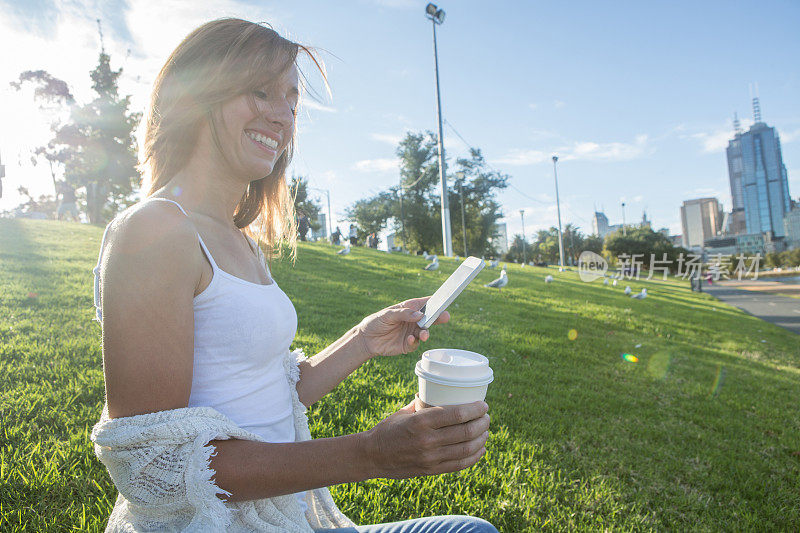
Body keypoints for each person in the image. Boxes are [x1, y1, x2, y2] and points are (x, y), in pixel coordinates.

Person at [89, 18, 495, 533]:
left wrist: (363, 340)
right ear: (197, 95)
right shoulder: (155, 230)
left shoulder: (240, 240)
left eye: (292, 102)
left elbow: (268, 389)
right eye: (261, 92)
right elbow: (153, 469)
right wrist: (370, 454)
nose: (283, 117)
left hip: (292, 517)